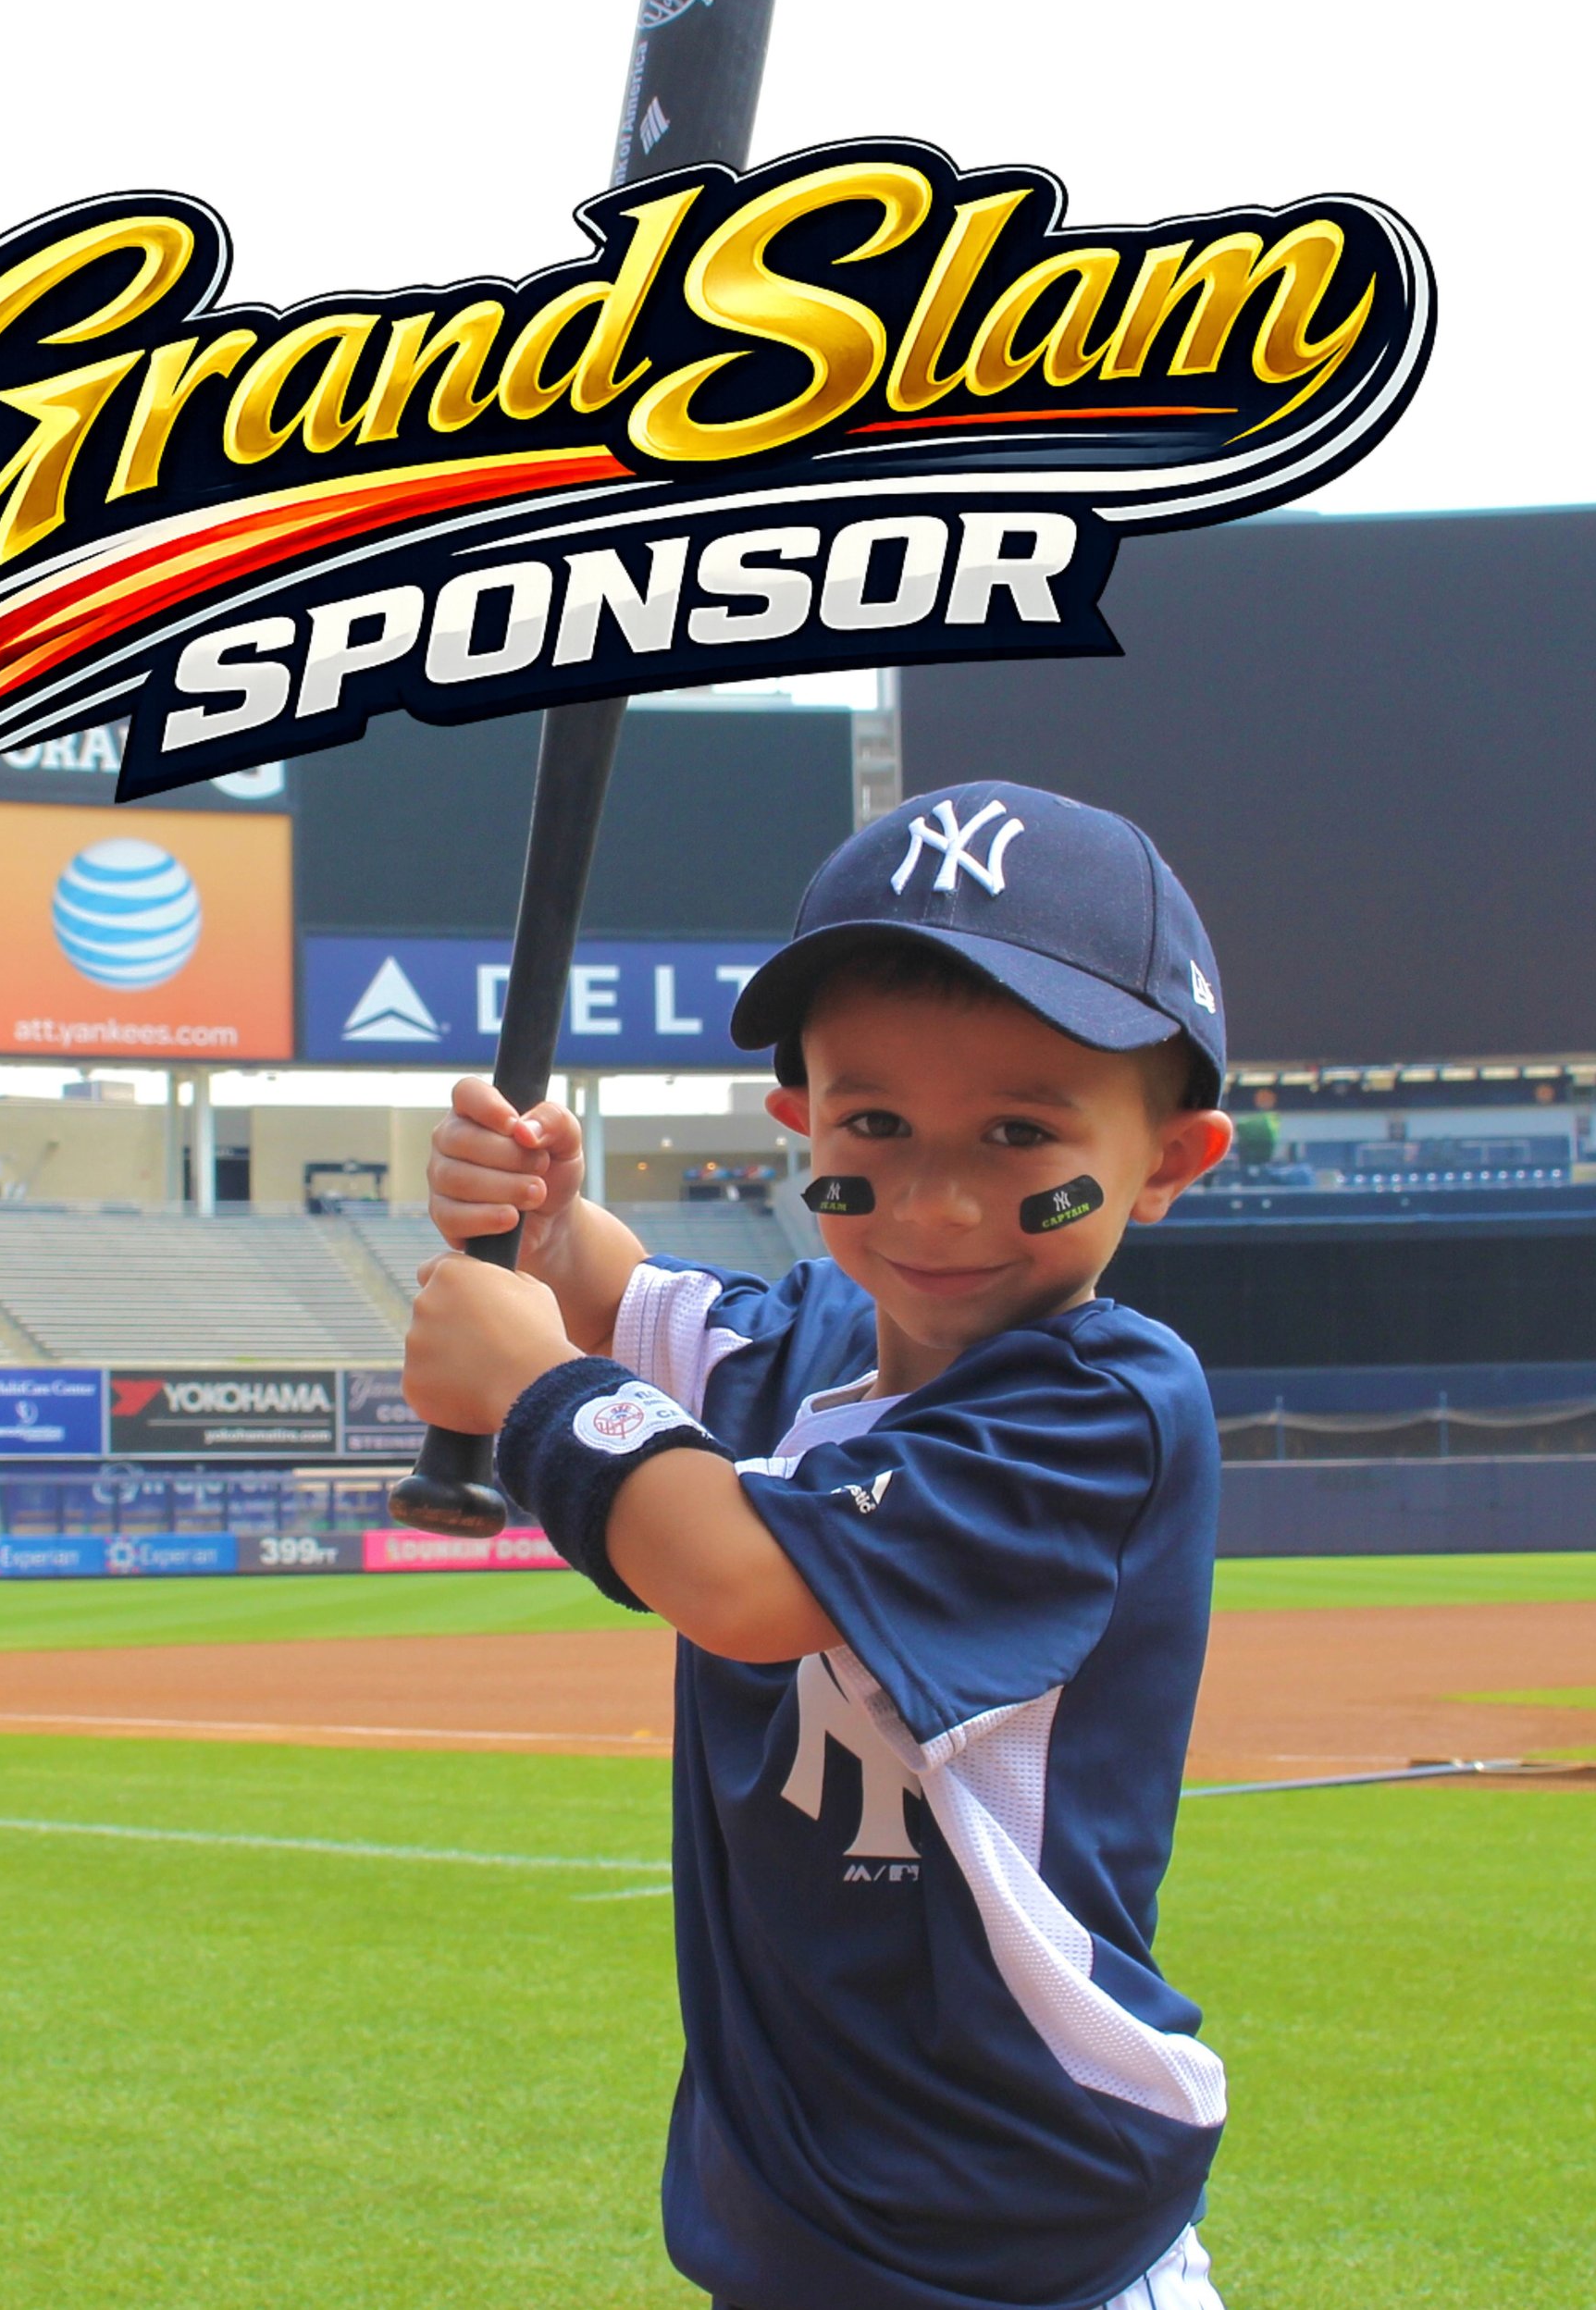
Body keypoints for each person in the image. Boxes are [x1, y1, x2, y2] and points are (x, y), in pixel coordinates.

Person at [402, 781, 1237, 2310]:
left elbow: (740, 1584)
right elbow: (620, 1294)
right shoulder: (809, 1346)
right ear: (799, 1124)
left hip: (1012, 2204)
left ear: (1173, 1157)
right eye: (874, 1125)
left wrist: (531, 1390)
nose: (933, 1197)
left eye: (1019, 1132)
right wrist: (538, 1212)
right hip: (808, 2205)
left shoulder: (1097, 1410)